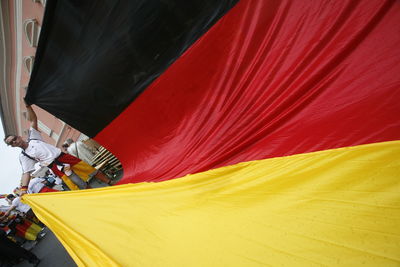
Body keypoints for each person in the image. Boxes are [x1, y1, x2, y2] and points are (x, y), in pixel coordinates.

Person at [4, 104, 116, 193]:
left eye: (14, 139)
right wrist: (24, 189)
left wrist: (28, 106)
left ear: (18, 137)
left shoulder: (33, 137)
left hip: (64, 157)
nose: (14, 142)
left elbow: (33, 120)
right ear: (13, 146)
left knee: (91, 171)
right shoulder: (24, 156)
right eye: (11, 143)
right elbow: (26, 173)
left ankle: (111, 182)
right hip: (57, 167)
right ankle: (98, 195)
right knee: (78, 184)